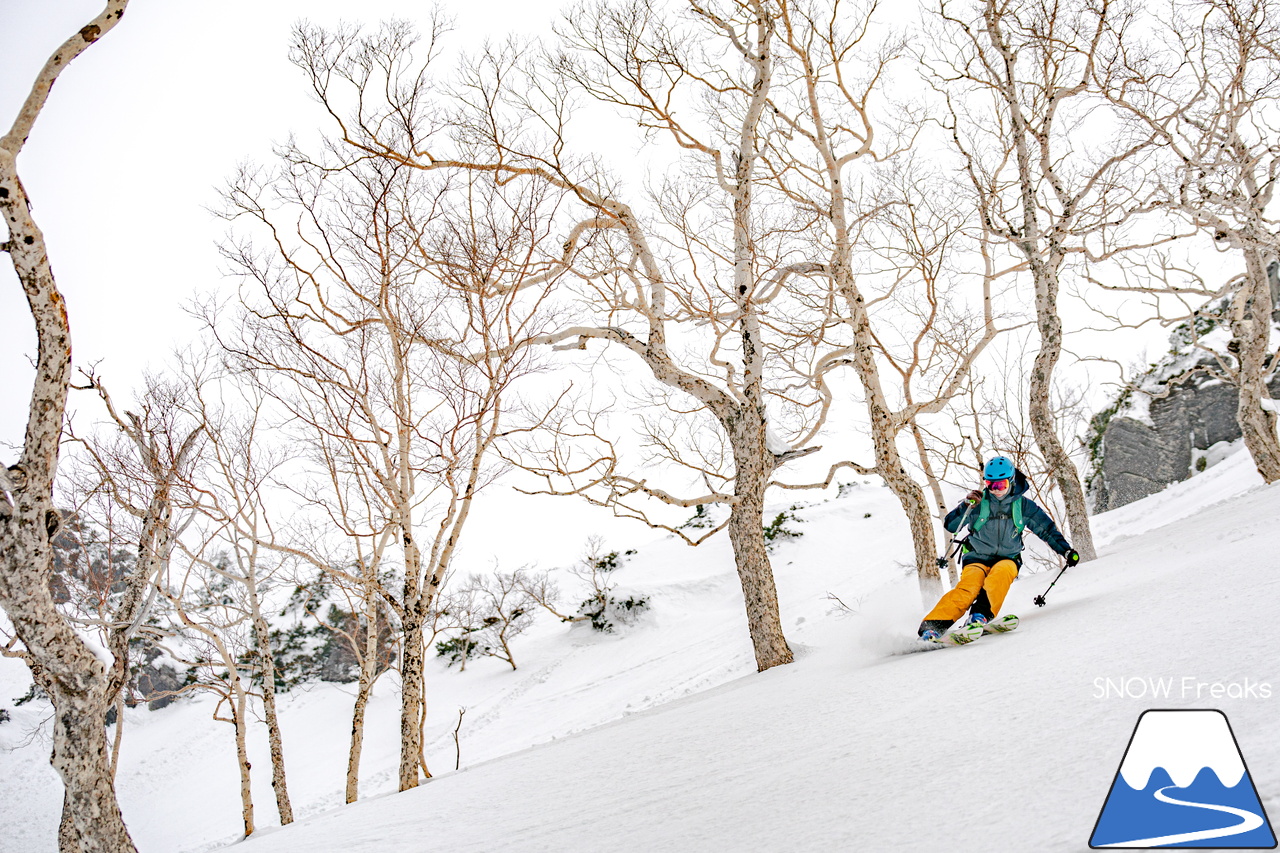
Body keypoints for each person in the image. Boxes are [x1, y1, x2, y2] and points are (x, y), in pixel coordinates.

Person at [918, 455, 1080, 640]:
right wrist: (966, 506)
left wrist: (1065, 550)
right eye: (990, 484)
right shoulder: (978, 503)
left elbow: (1047, 530)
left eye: (1000, 485)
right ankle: (931, 628)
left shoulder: (1023, 506)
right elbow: (951, 525)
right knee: (967, 589)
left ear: (1011, 481)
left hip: (1008, 558)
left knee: (1000, 575)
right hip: (976, 557)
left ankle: (979, 616)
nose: (995, 490)